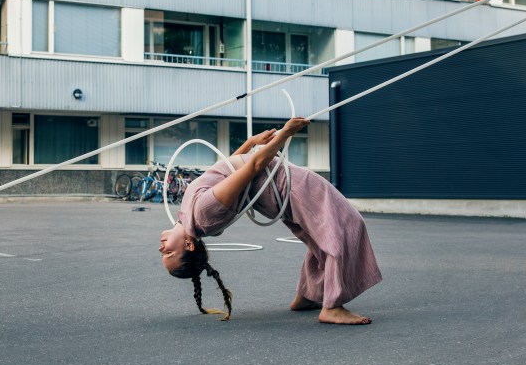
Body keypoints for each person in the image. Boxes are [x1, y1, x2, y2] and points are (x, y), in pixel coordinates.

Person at [159, 118, 382, 325]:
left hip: (283, 192)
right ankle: (331, 307)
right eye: (168, 253)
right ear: (189, 246)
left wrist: (251, 143)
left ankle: (308, 296)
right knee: (346, 225)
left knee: (318, 240)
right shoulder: (203, 214)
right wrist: (285, 134)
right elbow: (253, 167)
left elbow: (226, 171)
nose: (161, 248)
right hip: (289, 186)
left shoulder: (191, 216)